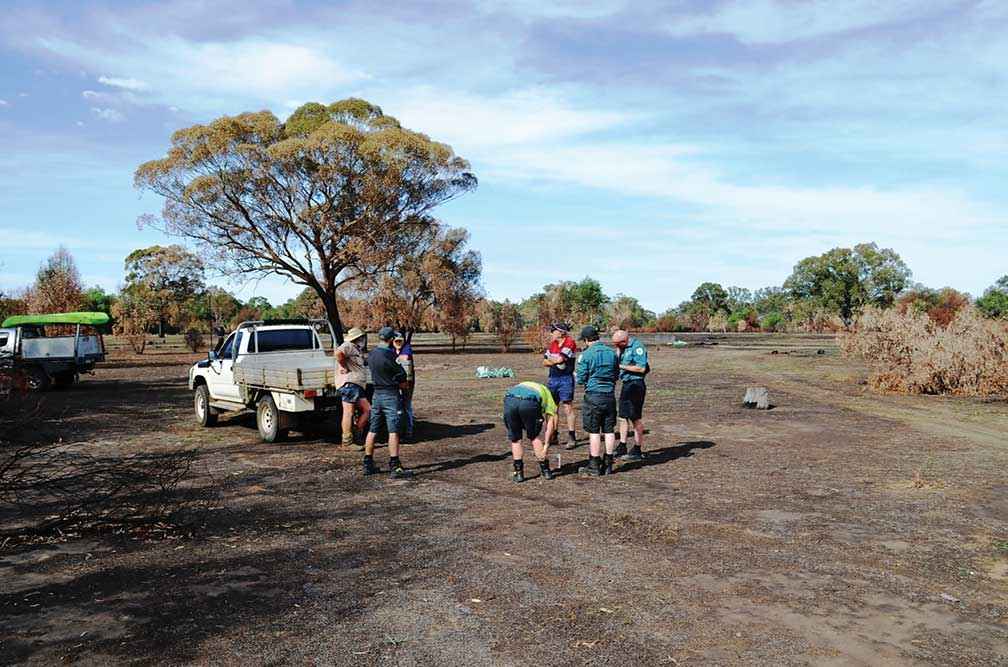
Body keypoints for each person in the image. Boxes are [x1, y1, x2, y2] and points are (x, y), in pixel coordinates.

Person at [363, 326, 411, 478]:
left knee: (373, 430)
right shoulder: (389, 355)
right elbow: (402, 379)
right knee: (393, 431)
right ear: (391, 339)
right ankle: (395, 466)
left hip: (376, 394)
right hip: (390, 395)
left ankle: (368, 463)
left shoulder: (371, 354)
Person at [574, 325, 620, 476]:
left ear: (587, 340)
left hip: (593, 396)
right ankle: (608, 463)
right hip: (609, 396)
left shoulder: (586, 355)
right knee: (609, 430)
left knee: (594, 431)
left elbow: (581, 379)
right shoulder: (612, 353)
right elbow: (616, 374)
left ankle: (594, 464)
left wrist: (577, 376)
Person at [503, 381, 558, 482]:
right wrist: (546, 445)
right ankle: (546, 471)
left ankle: (519, 473)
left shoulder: (525, 385)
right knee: (534, 437)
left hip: (509, 400)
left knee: (516, 439)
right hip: (529, 403)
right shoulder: (549, 396)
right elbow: (551, 422)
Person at [612, 329, 648, 461]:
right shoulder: (621, 348)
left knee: (635, 417)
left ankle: (637, 449)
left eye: (617, 344)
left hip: (636, 385)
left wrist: (621, 366)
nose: (615, 346)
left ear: (624, 341)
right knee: (622, 416)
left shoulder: (637, 347)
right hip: (626, 384)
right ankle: (622, 445)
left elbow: (641, 368)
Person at [541, 322, 578, 449]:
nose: (551, 333)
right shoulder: (552, 345)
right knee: (552, 408)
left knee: (568, 407)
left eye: (553, 330)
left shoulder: (570, 343)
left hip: (565, 379)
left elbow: (559, 360)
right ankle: (553, 435)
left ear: (561, 332)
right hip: (553, 378)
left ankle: (572, 437)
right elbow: (544, 362)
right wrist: (554, 361)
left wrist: (553, 360)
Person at [335, 327, 370, 450]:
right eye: (361, 337)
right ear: (357, 338)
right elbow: (338, 353)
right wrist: (344, 366)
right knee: (348, 412)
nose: (362, 339)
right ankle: (347, 442)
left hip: (357, 385)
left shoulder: (356, 349)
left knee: (368, 409)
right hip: (350, 384)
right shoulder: (348, 345)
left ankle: (356, 433)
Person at [392, 332, 415, 441]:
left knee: (407, 406)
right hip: (394, 382)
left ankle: (408, 431)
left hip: (407, 382)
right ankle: (399, 430)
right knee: (397, 407)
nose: (398, 343)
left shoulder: (407, 347)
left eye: (400, 341)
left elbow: (405, 358)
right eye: (396, 341)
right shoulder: (391, 349)